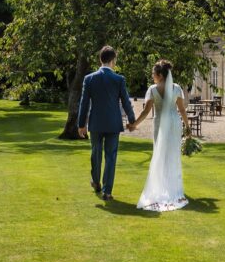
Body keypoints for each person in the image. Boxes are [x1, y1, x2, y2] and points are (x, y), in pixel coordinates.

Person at [128, 60, 190, 212]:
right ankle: (172, 187)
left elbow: (146, 112)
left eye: (153, 74)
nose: (152, 76)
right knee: (172, 154)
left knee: (159, 154)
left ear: (160, 75)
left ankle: (162, 186)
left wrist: (134, 125)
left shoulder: (152, 89)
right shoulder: (176, 88)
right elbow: (182, 110)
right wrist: (188, 127)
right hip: (174, 123)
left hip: (160, 124)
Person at [78, 46, 136, 201]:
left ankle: (96, 182)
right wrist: (132, 120)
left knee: (95, 153)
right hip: (113, 123)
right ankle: (107, 191)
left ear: (100, 59)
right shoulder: (119, 79)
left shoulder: (89, 78)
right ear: (113, 61)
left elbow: (84, 103)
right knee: (111, 156)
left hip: (95, 122)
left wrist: (81, 124)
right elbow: (126, 102)